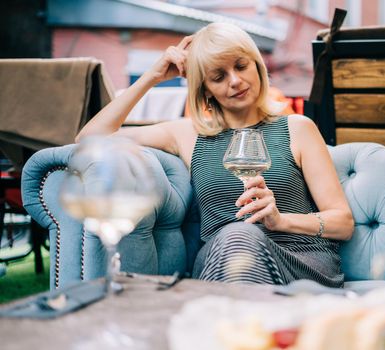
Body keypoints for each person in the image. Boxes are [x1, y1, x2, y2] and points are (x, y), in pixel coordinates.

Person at [76, 22, 354, 287]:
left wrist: (281, 220)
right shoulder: (188, 134)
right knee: (237, 235)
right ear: (205, 89)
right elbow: (88, 140)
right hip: (221, 261)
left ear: (257, 65)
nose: (235, 81)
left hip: (300, 262)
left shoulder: (297, 128)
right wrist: (153, 76)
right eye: (219, 77)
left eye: (241, 66)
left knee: (239, 234)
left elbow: (342, 223)